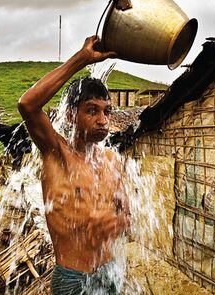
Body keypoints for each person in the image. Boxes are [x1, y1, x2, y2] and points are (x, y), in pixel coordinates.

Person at [18, 35, 130, 294]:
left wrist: (118, 221)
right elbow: (28, 104)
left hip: (109, 272)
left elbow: (127, 216)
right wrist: (82, 59)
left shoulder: (112, 161)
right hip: (72, 278)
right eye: (92, 110)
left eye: (107, 111)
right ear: (71, 115)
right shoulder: (56, 153)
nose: (103, 120)